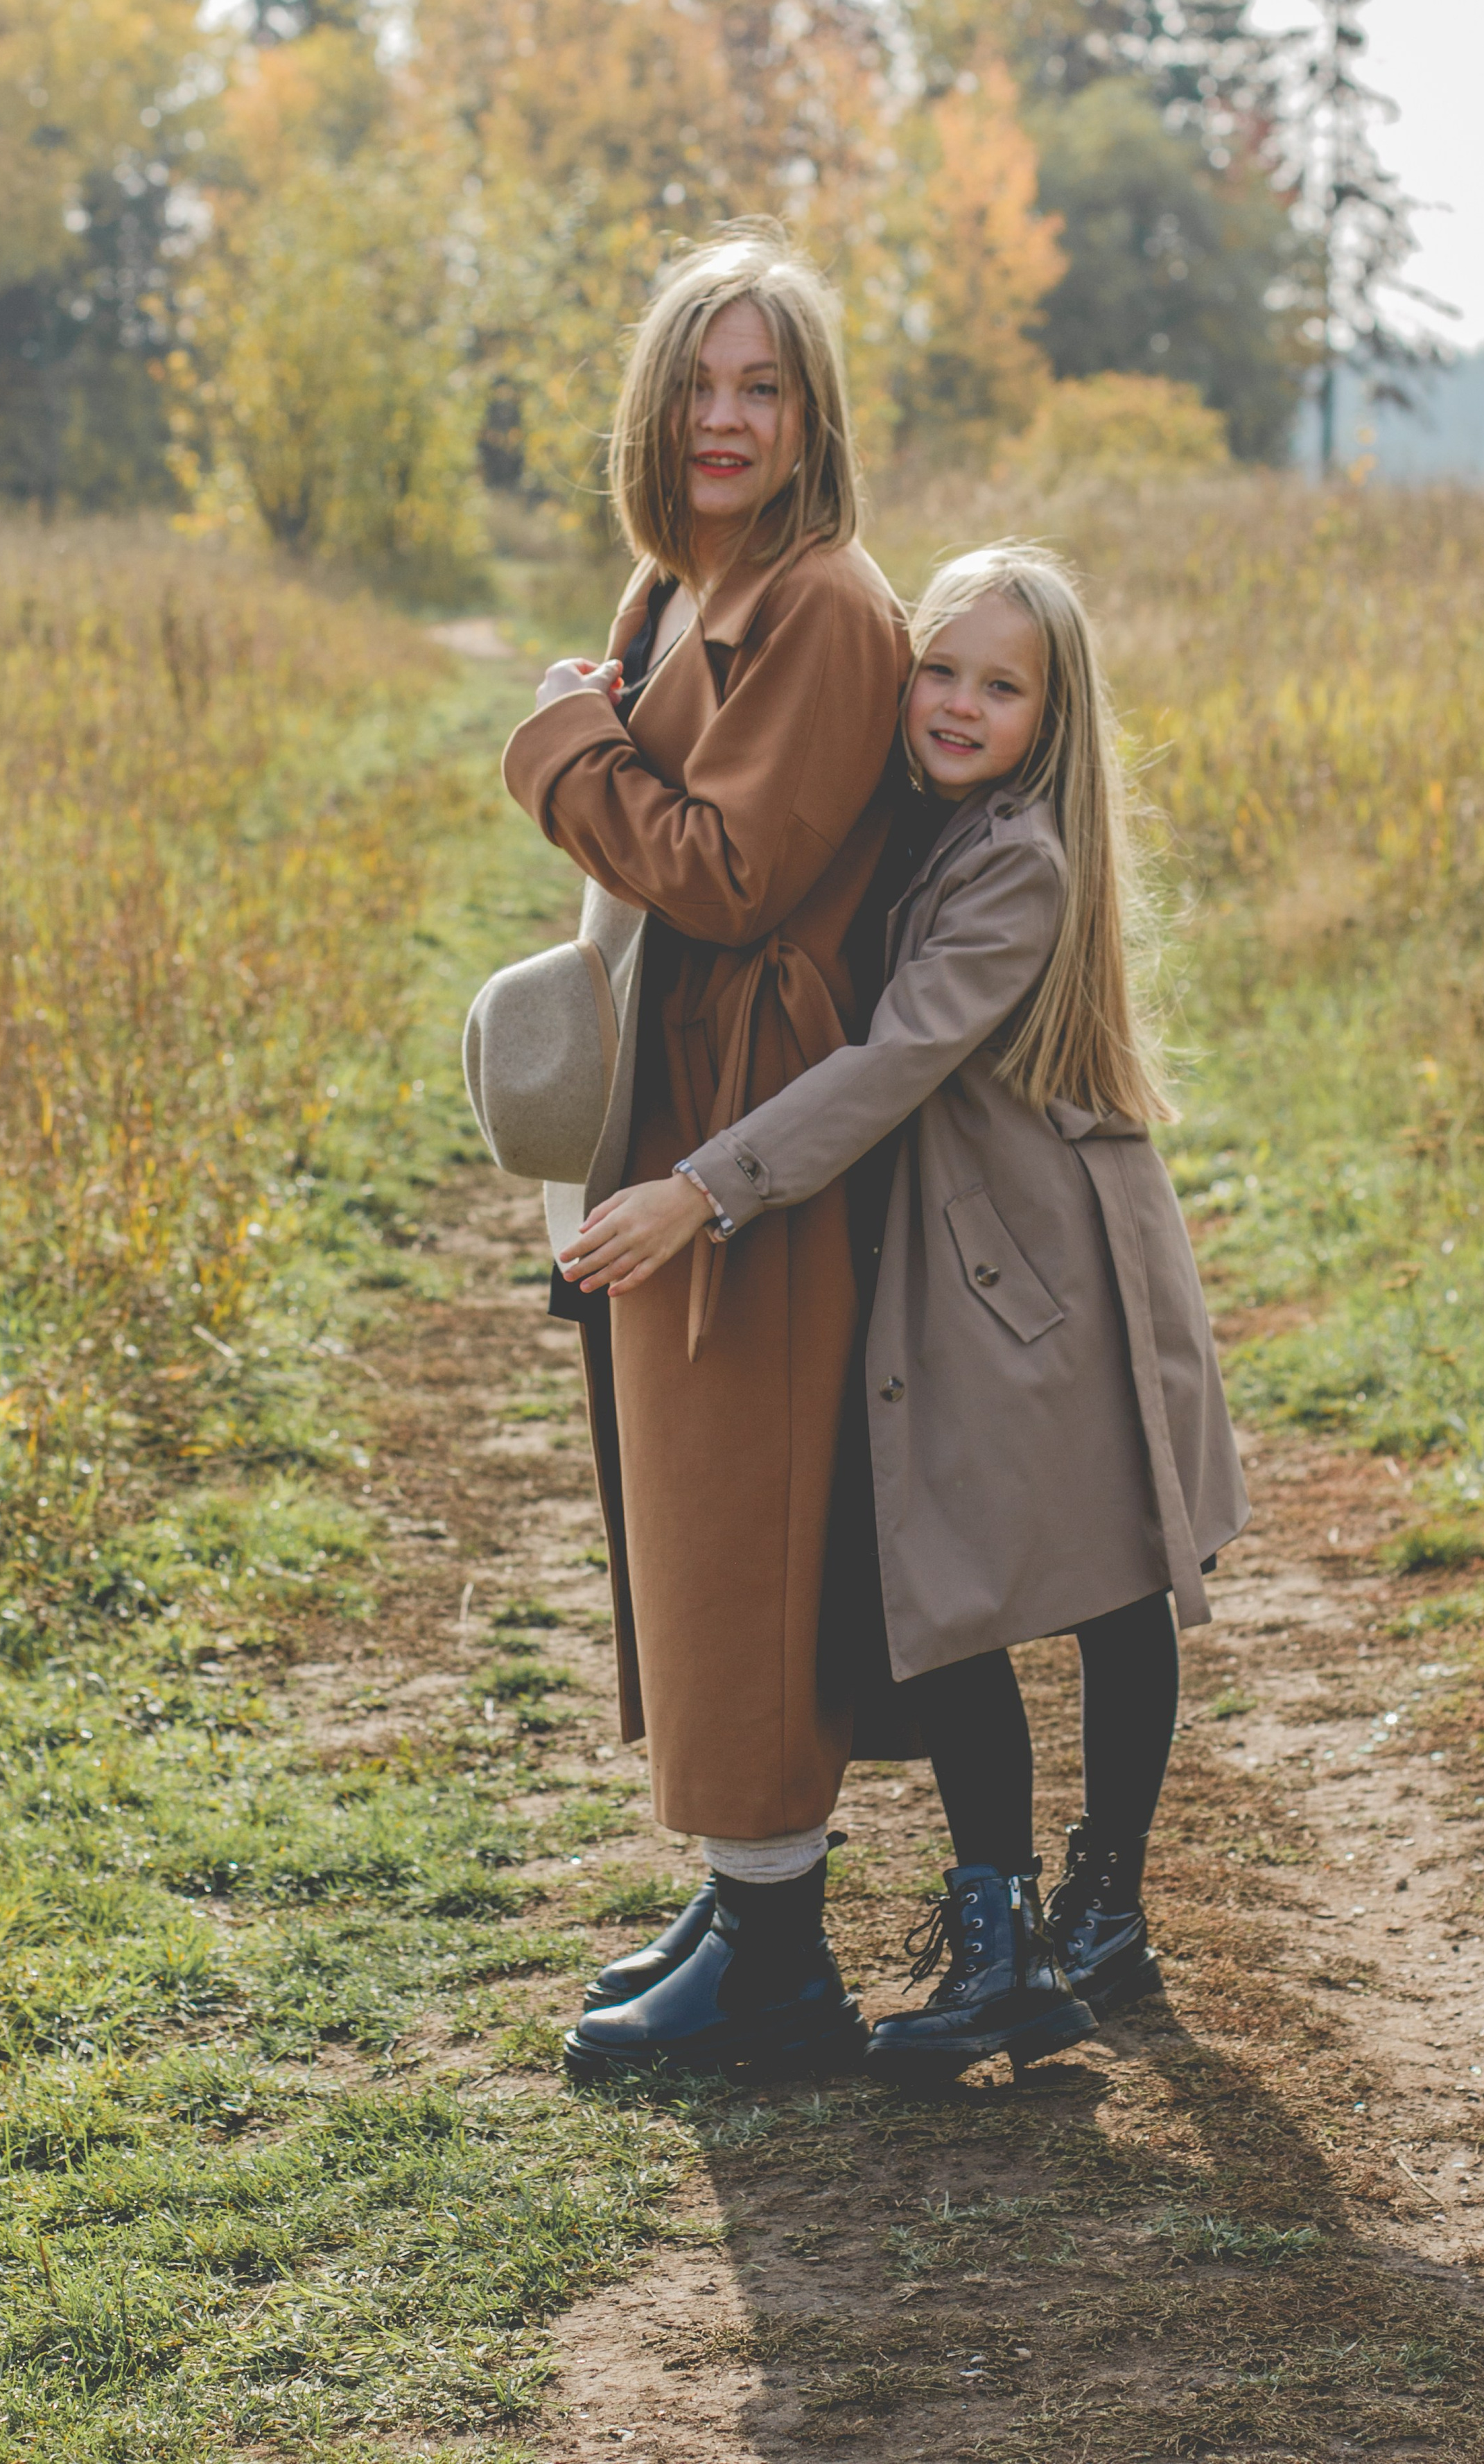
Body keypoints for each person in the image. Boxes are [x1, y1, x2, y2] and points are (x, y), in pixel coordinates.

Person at [564, 541, 1250, 2081]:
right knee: (949, 1587)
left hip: (1048, 1261)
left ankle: (1095, 1906)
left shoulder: (1018, 861)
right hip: (962, 1258)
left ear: (1047, 716)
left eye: (996, 686)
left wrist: (703, 1185)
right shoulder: (917, 819)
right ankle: (1008, 1929)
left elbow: (888, 1064)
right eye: (935, 669)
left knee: (1105, 1578)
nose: (953, 703)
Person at [500, 227, 910, 2083]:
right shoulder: (679, 586)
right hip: (670, 1098)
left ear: (813, 414)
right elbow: (656, 825)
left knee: (749, 1513)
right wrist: (607, 715)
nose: (725, 418)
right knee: (682, 1507)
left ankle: (779, 1963)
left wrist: (564, 751)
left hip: (757, 1119)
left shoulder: (825, 605)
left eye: (763, 387)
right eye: (699, 383)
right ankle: (744, 1899)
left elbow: (730, 870)